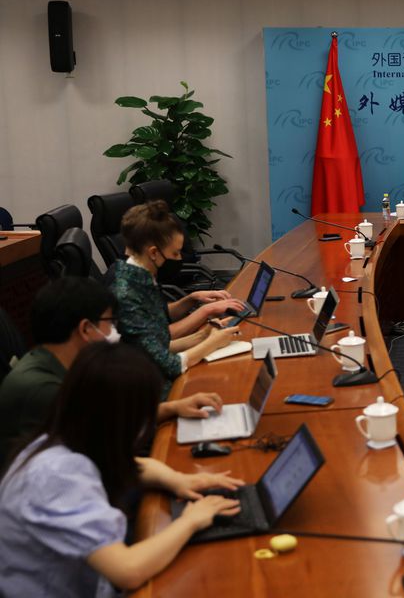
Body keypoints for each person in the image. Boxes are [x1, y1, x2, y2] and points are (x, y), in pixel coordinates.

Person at [0, 342, 241, 596]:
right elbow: (127, 571)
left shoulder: (64, 435)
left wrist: (179, 480)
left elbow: (134, 464)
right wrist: (191, 521)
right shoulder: (56, 476)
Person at [0, 277, 227, 464]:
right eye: (110, 322)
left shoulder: (68, 365)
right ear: (86, 329)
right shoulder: (44, 390)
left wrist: (173, 407)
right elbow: (105, 456)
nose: (114, 331)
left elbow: (107, 417)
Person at [112, 201, 244, 394]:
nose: (179, 259)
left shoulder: (142, 277)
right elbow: (169, 365)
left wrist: (203, 335)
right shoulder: (126, 294)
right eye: (175, 253)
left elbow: (158, 341)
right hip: (152, 394)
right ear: (154, 253)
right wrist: (211, 343)